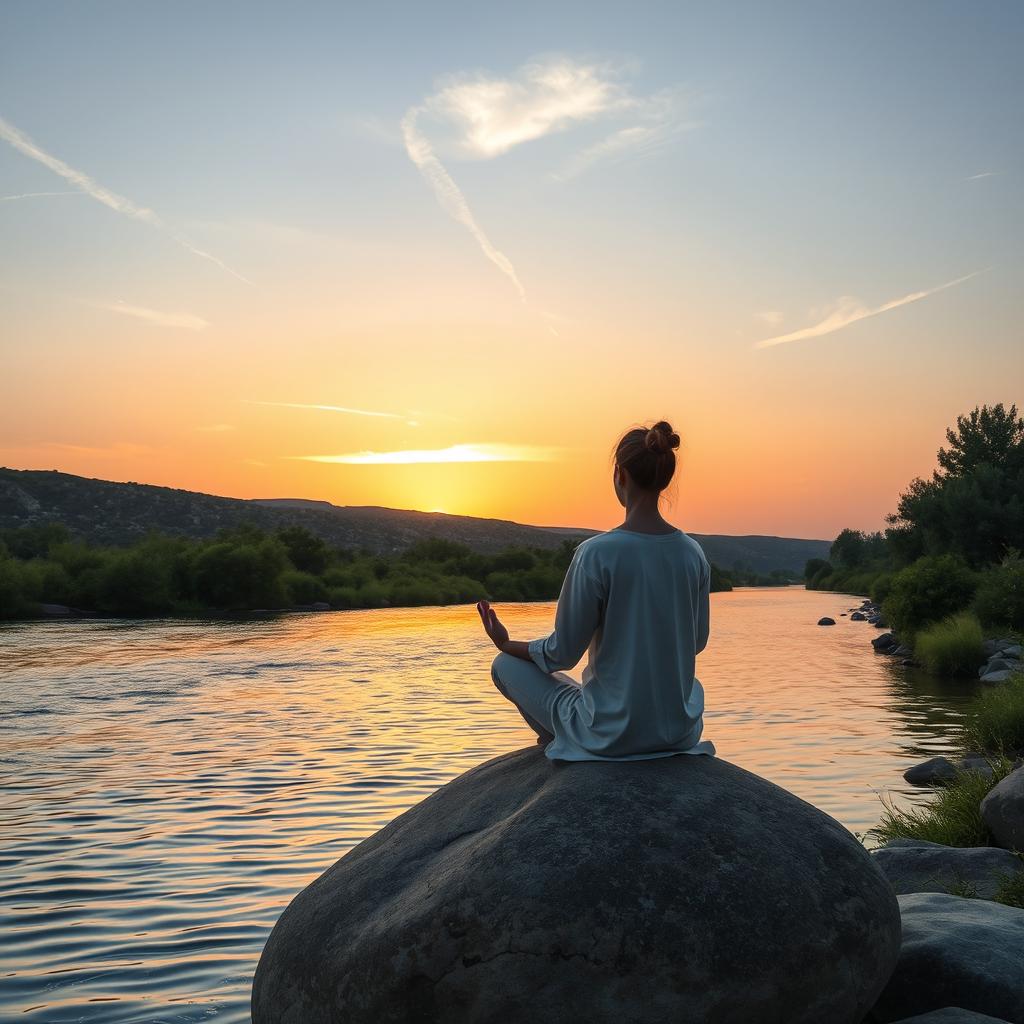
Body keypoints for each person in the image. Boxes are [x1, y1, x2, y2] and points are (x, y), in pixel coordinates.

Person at [477, 419, 715, 762]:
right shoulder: (693, 554)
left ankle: (557, 741)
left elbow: (561, 655)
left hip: (611, 735)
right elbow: (697, 643)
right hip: (680, 733)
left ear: (620, 475)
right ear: (664, 478)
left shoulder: (596, 553)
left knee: (504, 665)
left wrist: (506, 643)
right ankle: (572, 738)